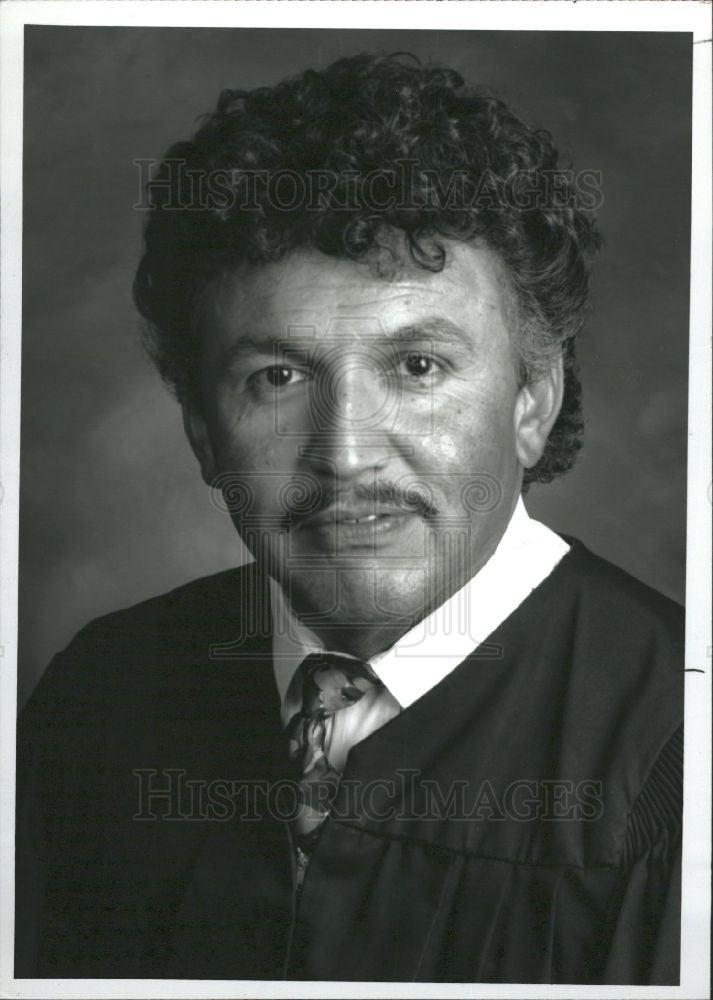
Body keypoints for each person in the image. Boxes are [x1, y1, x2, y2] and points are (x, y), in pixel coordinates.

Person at [15, 53, 683, 984]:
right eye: (277, 378)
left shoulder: (673, 755)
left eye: (417, 367)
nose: (346, 453)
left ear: (531, 400)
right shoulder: (102, 699)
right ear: (203, 431)